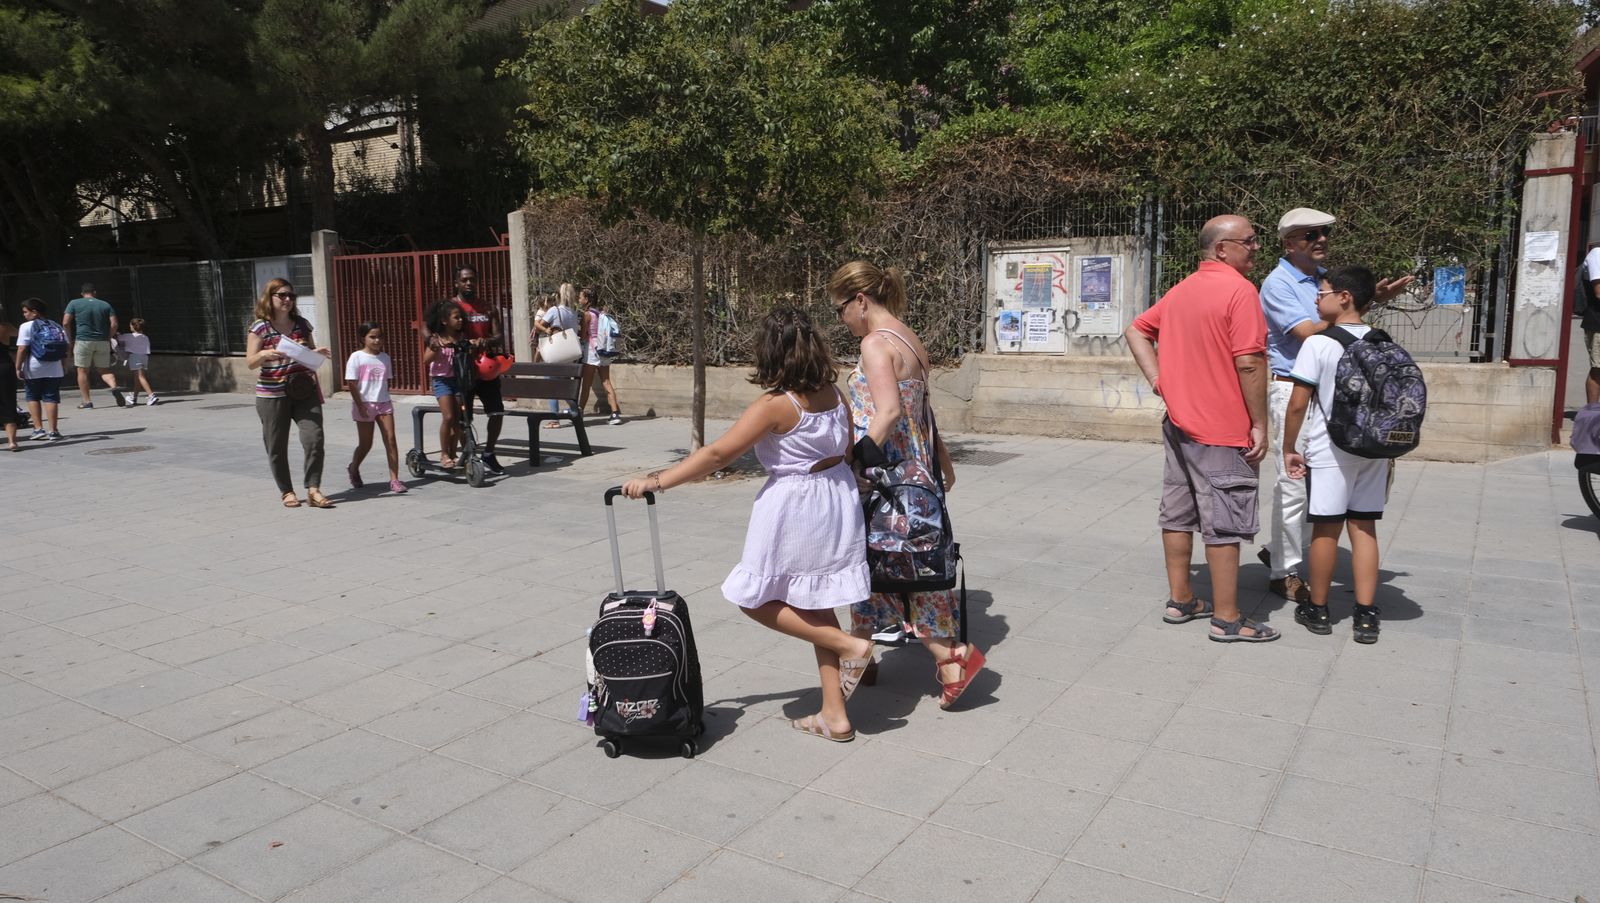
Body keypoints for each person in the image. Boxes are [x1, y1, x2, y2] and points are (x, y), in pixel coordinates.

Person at [620, 307, 874, 742]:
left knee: (753, 598)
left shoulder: (775, 405)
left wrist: (657, 480)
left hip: (795, 505)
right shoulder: (835, 394)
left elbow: (718, 455)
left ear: (770, 352)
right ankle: (835, 715)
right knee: (816, 604)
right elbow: (848, 449)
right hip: (837, 495)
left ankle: (852, 647)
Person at [832, 260, 987, 709]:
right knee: (910, 569)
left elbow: (889, 413)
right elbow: (925, 412)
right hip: (915, 476)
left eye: (841, 308)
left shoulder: (875, 344)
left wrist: (855, 463)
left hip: (886, 478)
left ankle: (868, 658)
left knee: (877, 567)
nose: (841, 319)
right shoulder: (907, 337)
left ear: (860, 300)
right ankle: (878, 655)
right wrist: (942, 463)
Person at [1123, 214, 1278, 643]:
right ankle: (1228, 618)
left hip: (1179, 423)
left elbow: (1136, 330)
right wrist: (1260, 423)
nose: (1256, 247)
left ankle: (1181, 599)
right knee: (1225, 520)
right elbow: (1249, 361)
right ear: (1223, 249)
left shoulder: (1181, 290)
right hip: (1222, 428)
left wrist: (1160, 380)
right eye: (1249, 241)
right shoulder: (1240, 291)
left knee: (1178, 512)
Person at [1258, 208, 1415, 602]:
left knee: (1328, 485)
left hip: (1330, 391)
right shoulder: (1278, 284)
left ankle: (1282, 550)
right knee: (1295, 485)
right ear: (1289, 243)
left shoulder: (1320, 282)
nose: (1321, 239)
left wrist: (1357, 303)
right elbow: (1307, 330)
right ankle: (1284, 571)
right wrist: (1357, 304)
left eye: (1324, 232)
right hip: (1294, 389)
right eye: (1311, 234)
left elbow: (1340, 323)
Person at [1282, 266, 1387, 644]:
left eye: (1322, 292)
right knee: (1364, 528)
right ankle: (1365, 616)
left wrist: (1289, 447)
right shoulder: (1381, 339)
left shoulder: (1319, 343)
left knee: (1327, 528)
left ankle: (1320, 609)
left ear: (1344, 297)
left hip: (1331, 450)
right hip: (1374, 449)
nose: (1316, 297)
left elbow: (1297, 404)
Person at [245, 279, 333, 509]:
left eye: (291, 296)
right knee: (276, 445)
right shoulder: (260, 327)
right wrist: (265, 354)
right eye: (282, 295)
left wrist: (316, 353)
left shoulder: (302, 324)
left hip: (304, 390)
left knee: (314, 438)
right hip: (272, 394)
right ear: (269, 297)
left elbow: (309, 353)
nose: (287, 299)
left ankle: (313, 489)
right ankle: (287, 491)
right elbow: (250, 362)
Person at [426, 266, 508, 474]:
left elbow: (499, 336)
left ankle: (489, 453)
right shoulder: (449, 306)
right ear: (456, 283)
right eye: (464, 280)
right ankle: (470, 453)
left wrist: (484, 340)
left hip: (485, 369)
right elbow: (426, 325)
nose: (468, 283)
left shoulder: (488, 308)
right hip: (460, 371)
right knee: (462, 418)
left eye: (472, 279)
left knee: (497, 412)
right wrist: (431, 339)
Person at [344, 321, 405, 494]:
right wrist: (360, 404)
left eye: (380, 336)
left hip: (384, 403)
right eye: (372, 337)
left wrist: (384, 398)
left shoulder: (385, 358)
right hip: (364, 404)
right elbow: (351, 383)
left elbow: (385, 381)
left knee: (391, 439)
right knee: (366, 444)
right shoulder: (356, 357)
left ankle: (394, 480)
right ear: (363, 338)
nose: (377, 340)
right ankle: (353, 468)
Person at [423, 299, 468, 470]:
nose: (460, 320)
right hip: (441, 380)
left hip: (458, 380)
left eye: (461, 317)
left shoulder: (461, 337)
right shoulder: (437, 339)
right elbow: (425, 360)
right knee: (448, 417)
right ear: (444, 321)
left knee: (457, 419)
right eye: (456, 317)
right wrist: (436, 348)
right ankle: (443, 453)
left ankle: (453, 451)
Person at [62, 283, 121, 409]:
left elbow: (66, 322)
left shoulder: (74, 303)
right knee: (104, 370)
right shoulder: (105, 304)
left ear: (82, 293)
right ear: (95, 292)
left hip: (83, 341)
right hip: (102, 341)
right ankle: (114, 387)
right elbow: (114, 324)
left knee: (82, 371)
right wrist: (108, 337)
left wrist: (69, 338)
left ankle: (87, 401)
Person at [14, 299, 64, 441]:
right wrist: (64, 364)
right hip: (55, 367)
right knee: (51, 397)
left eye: (25, 312)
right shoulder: (55, 325)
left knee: (33, 397)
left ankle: (38, 429)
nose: (24, 315)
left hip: (34, 366)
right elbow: (66, 346)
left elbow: (22, 348)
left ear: (34, 312)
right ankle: (53, 431)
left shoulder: (26, 326)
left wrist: (18, 367)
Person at [538, 282, 582, 429]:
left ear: (559, 295)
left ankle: (554, 419)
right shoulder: (573, 313)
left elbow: (538, 325)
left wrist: (547, 330)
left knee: (551, 386)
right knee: (565, 387)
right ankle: (576, 413)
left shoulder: (554, 310)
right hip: (569, 354)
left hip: (556, 353)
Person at [578, 285, 623, 425]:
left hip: (591, 352)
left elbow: (584, 336)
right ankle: (615, 413)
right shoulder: (600, 314)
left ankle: (579, 412)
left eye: (581, 297)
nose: (579, 299)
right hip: (604, 350)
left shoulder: (586, 315)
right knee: (606, 382)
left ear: (587, 299)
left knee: (586, 384)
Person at [116, 318, 159, 406]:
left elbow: (117, 338)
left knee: (141, 377)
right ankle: (134, 397)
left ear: (132, 326)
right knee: (137, 379)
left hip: (135, 357)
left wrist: (117, 334)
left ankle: (151, 396)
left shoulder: (128, 336)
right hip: (144, 357)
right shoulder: (145, 337)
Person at [1578, 240, 1600, 404]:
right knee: (1598, 370)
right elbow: (1599, 292)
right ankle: (1592, 415)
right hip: (1598, 322)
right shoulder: (1597, 255)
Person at [0, 302, 20, 451]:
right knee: (8, 402)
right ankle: (12, 441)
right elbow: (20, 334)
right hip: (4, 367)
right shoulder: (6, 327)